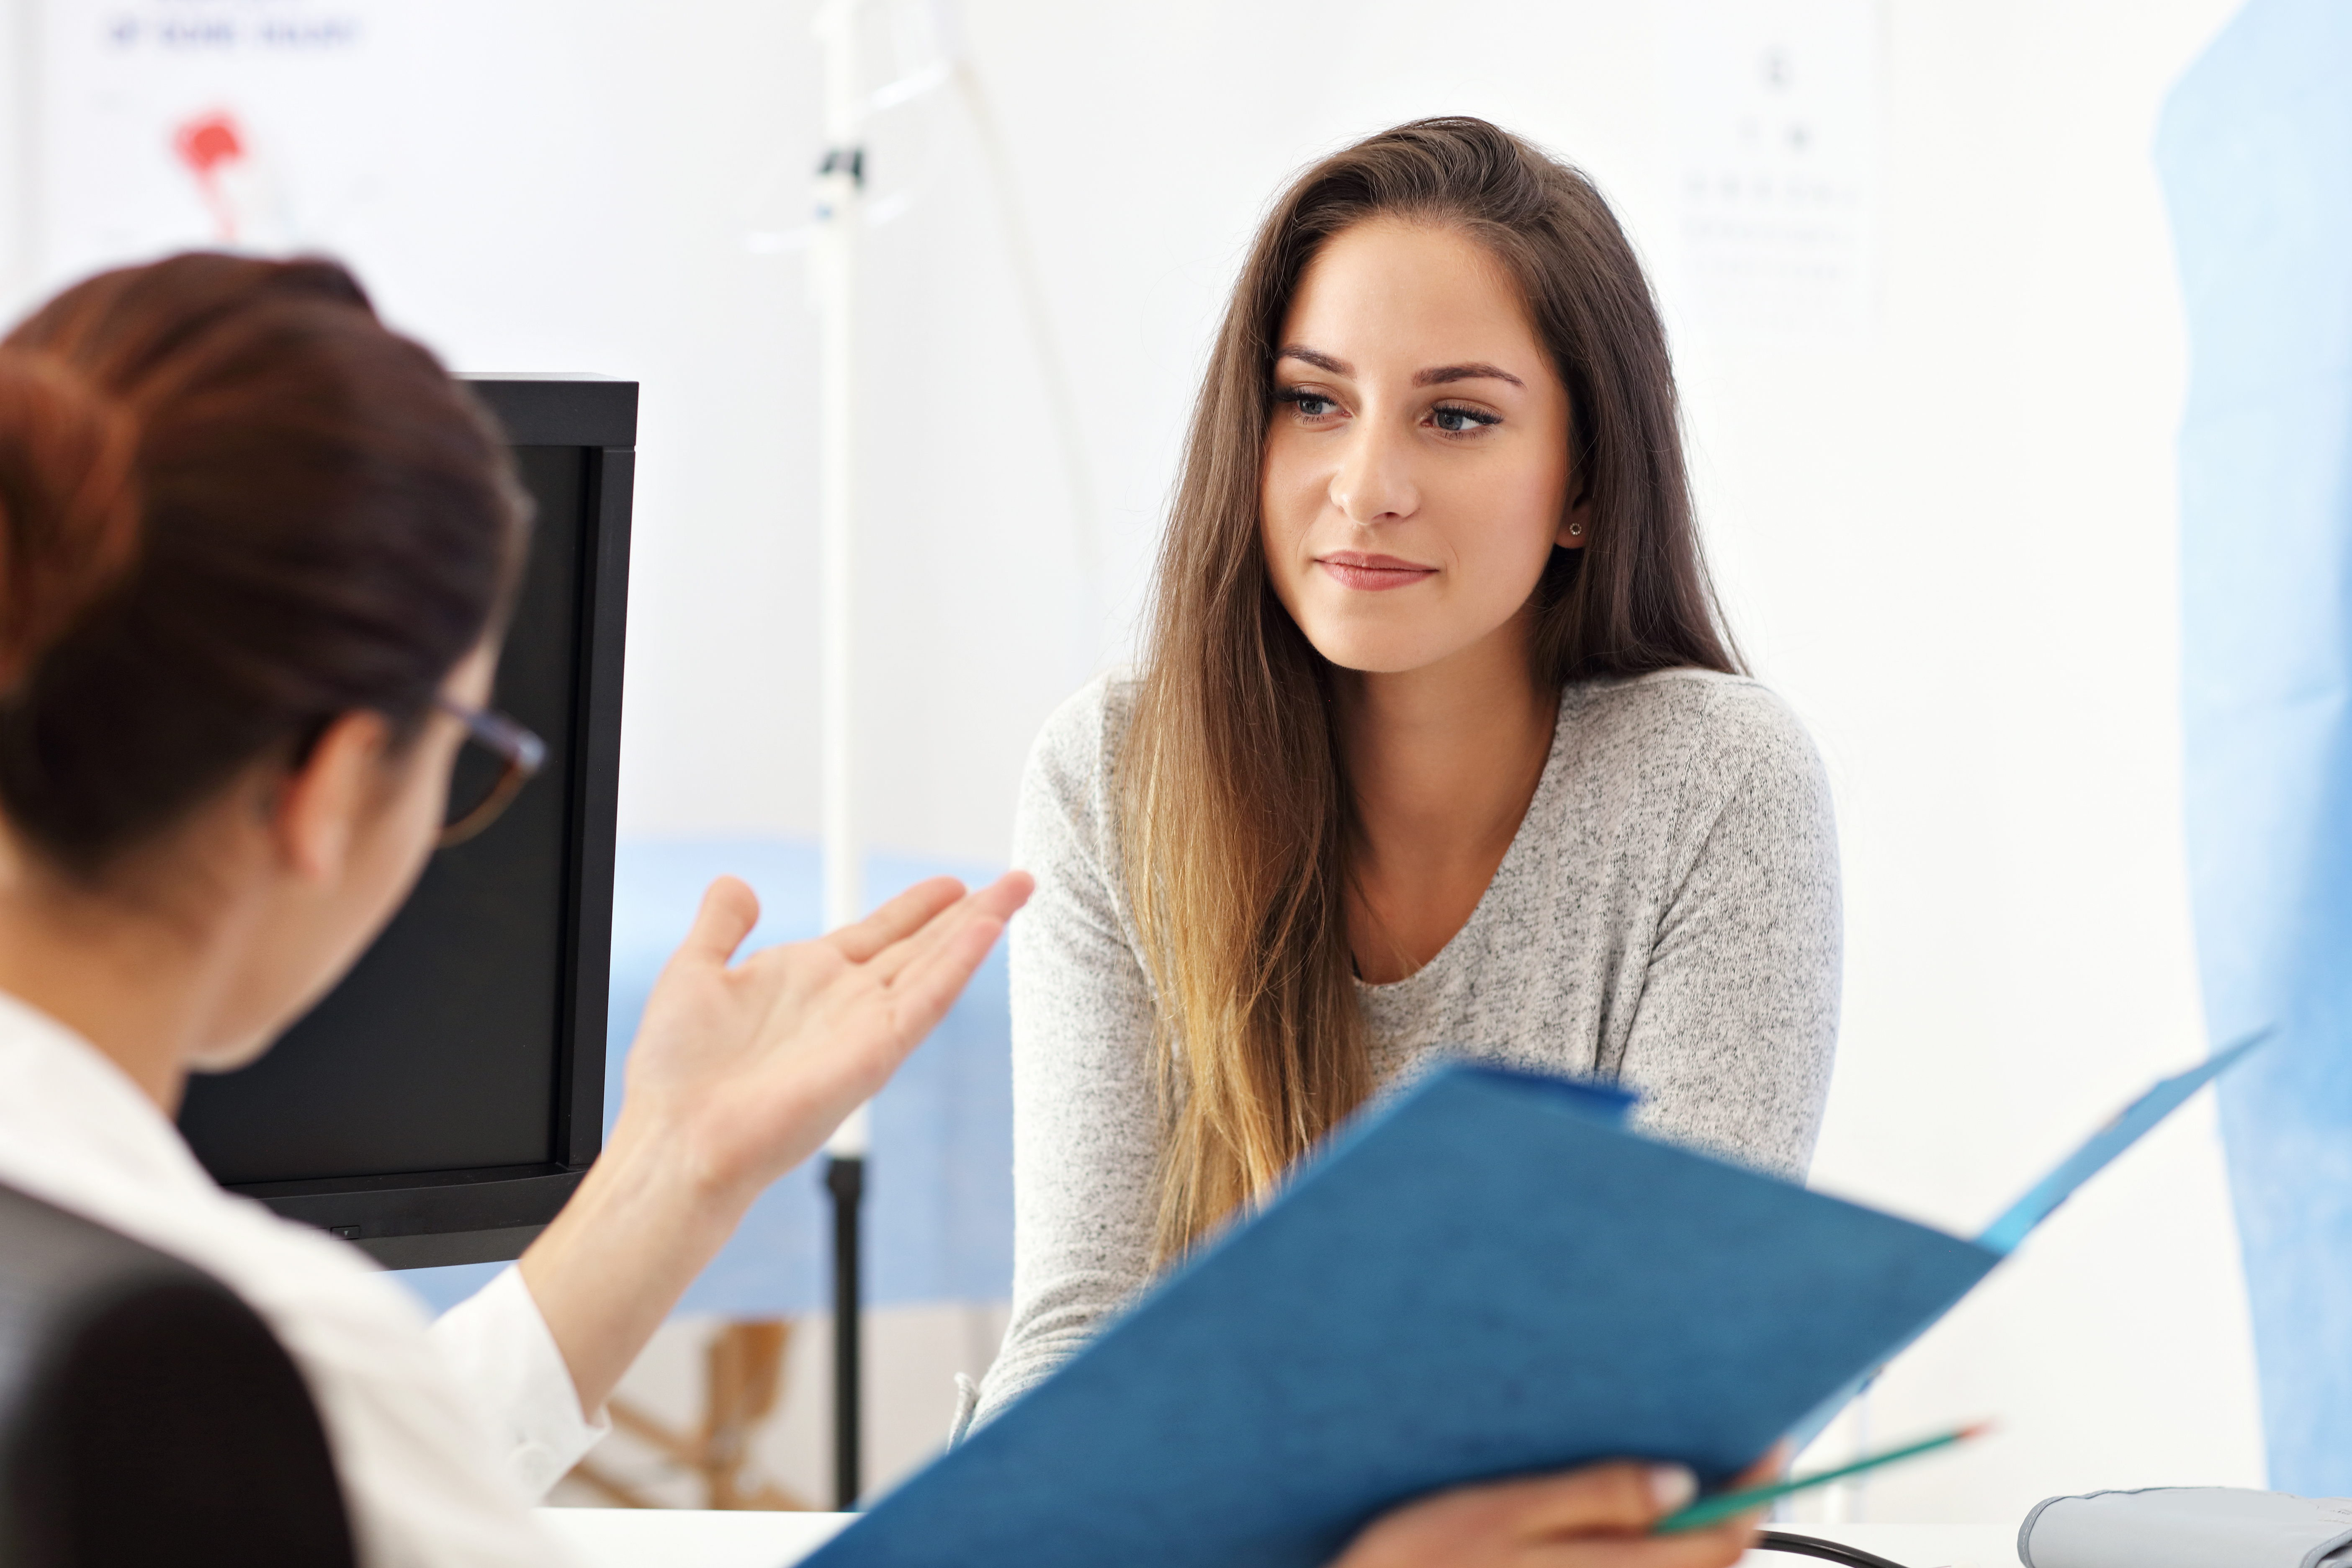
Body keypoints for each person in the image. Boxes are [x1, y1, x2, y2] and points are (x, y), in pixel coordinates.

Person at [0, 251, 1766, 1568]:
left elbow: (368, 1463)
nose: (1363, 480)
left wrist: (675, 1170)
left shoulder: (169, 1335)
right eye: (469, 756)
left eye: (1453, 413)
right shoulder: (225, 1356)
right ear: (326, 793)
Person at [975, 116, 1841, 1431]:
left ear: (1584, 488)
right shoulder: (1113, 779)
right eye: (1312, 401)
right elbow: (1083, 1325)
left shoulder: (1714, 786)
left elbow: (1669, 1363)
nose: (1364, 484)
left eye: (1454, 417)